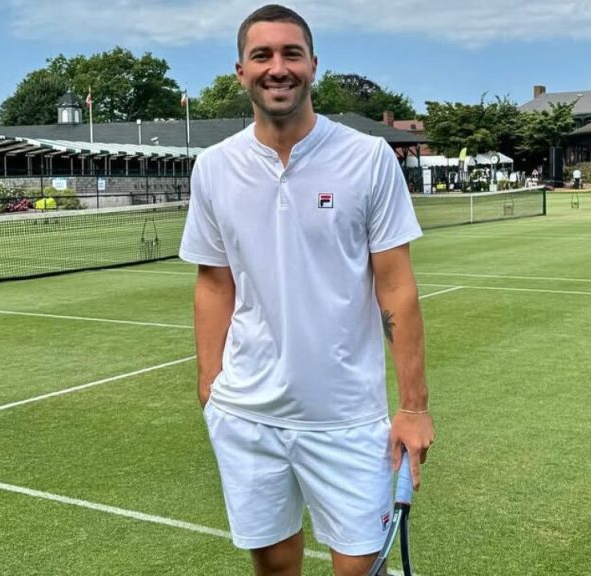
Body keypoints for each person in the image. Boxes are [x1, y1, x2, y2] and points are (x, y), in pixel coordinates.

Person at [179, 5, 435, 575]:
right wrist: (210, 388)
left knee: (357, 569)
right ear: (240, 71)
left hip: (347, 417)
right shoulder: (214, 168)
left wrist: (414, 407)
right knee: (273, 566)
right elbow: (213, 282)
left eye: (291, 54)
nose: (278, 68)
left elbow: (397, 287)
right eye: (262, 55)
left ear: (313, 65)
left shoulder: (367, 158)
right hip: (247, 414)